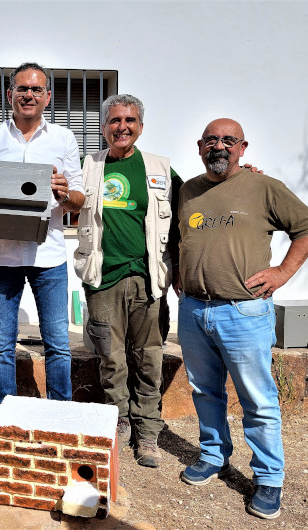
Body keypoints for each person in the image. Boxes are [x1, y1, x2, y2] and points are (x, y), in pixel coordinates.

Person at [177, 118, 308, 519]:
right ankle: (212, 455)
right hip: (193, 310)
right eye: (211, 140)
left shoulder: (263, 187)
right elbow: (178, 239)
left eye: (228, 140)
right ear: (200, 146)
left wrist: (282, 273)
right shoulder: (188, 190)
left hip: (243, 311)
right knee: (205, 392)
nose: (219, 146)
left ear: (242, 147)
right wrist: (179, 274)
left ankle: (269, 478)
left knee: (257, 399)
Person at [0, 63, 85, 448]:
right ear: (9, 95)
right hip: (0, 257)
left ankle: (62, 422)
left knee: (57, 343)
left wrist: (64, 192)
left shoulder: (65, 139)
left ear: (48, 97)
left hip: (48, 257)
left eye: (37, 89)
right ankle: (5, 425)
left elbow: (79, 201)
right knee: (1, 346)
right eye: (22, 88)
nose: (29, 95)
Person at [74, 94, 182, 468]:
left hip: (148, 279)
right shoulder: (88, 168)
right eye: (115, 120)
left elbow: (196, 203)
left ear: (140, 126)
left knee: (149, 357)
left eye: (130, 120)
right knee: (111, 359)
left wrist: (242, 177)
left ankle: (147, 431)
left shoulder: (160, 169)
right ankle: (117, 421)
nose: (122, 126)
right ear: (103, 126)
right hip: (103, 279)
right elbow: (60, 199)